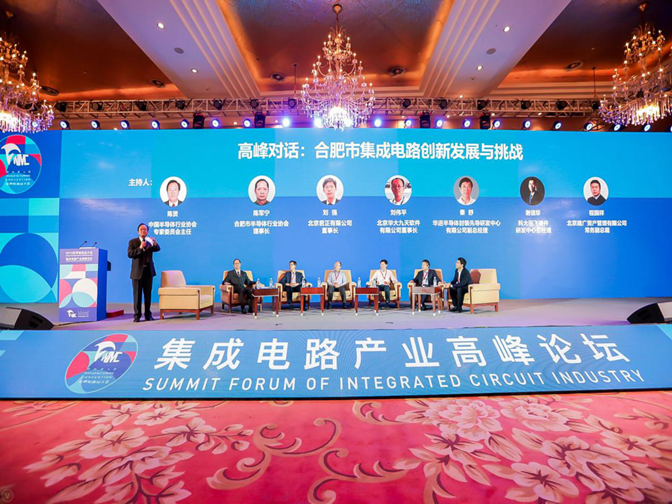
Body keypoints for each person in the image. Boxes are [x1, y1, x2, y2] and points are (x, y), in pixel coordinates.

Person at [127, 223, 161, 322]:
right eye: (141, 229)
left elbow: (157, 249)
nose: (143, 231)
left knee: (147, 295)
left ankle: (148, 315)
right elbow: (130, 254)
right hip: (137, 273)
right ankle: (137, 316)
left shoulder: (149, 241)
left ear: (147, 231)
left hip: (148, 271)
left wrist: (155, 243)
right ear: (138, 231)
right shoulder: (133, 242)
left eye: (145, 230)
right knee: (137, 296)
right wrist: (140, 248)